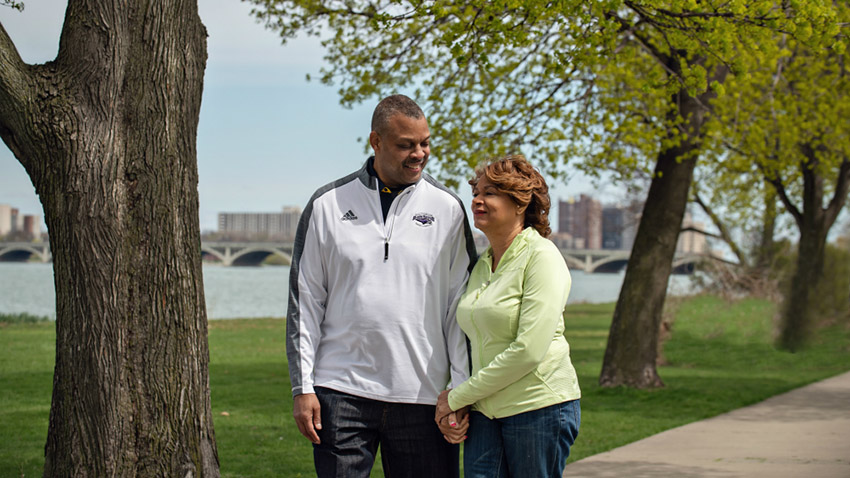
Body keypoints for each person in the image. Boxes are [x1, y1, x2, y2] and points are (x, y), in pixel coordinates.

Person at [286, 94, 477, 477]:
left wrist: (460, 389)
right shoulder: (327, 205)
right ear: (376, 142)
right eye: (406, 145)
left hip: (423, 396)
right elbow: (305, 303)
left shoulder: (448, 210)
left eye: (424, 143)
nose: (419, 154)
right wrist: (303, 387)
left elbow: (460, 308)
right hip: (340, 393)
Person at [435, 154, 581, 477]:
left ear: (520, 203)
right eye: (476, 192)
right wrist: (457, 394)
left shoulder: (542, 258)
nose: (477, 200)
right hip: (486, 412)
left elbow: (528, 349)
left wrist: (458, 396)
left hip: (538, 408)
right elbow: (475, 340)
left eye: (490, 193)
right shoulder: (481, 265)